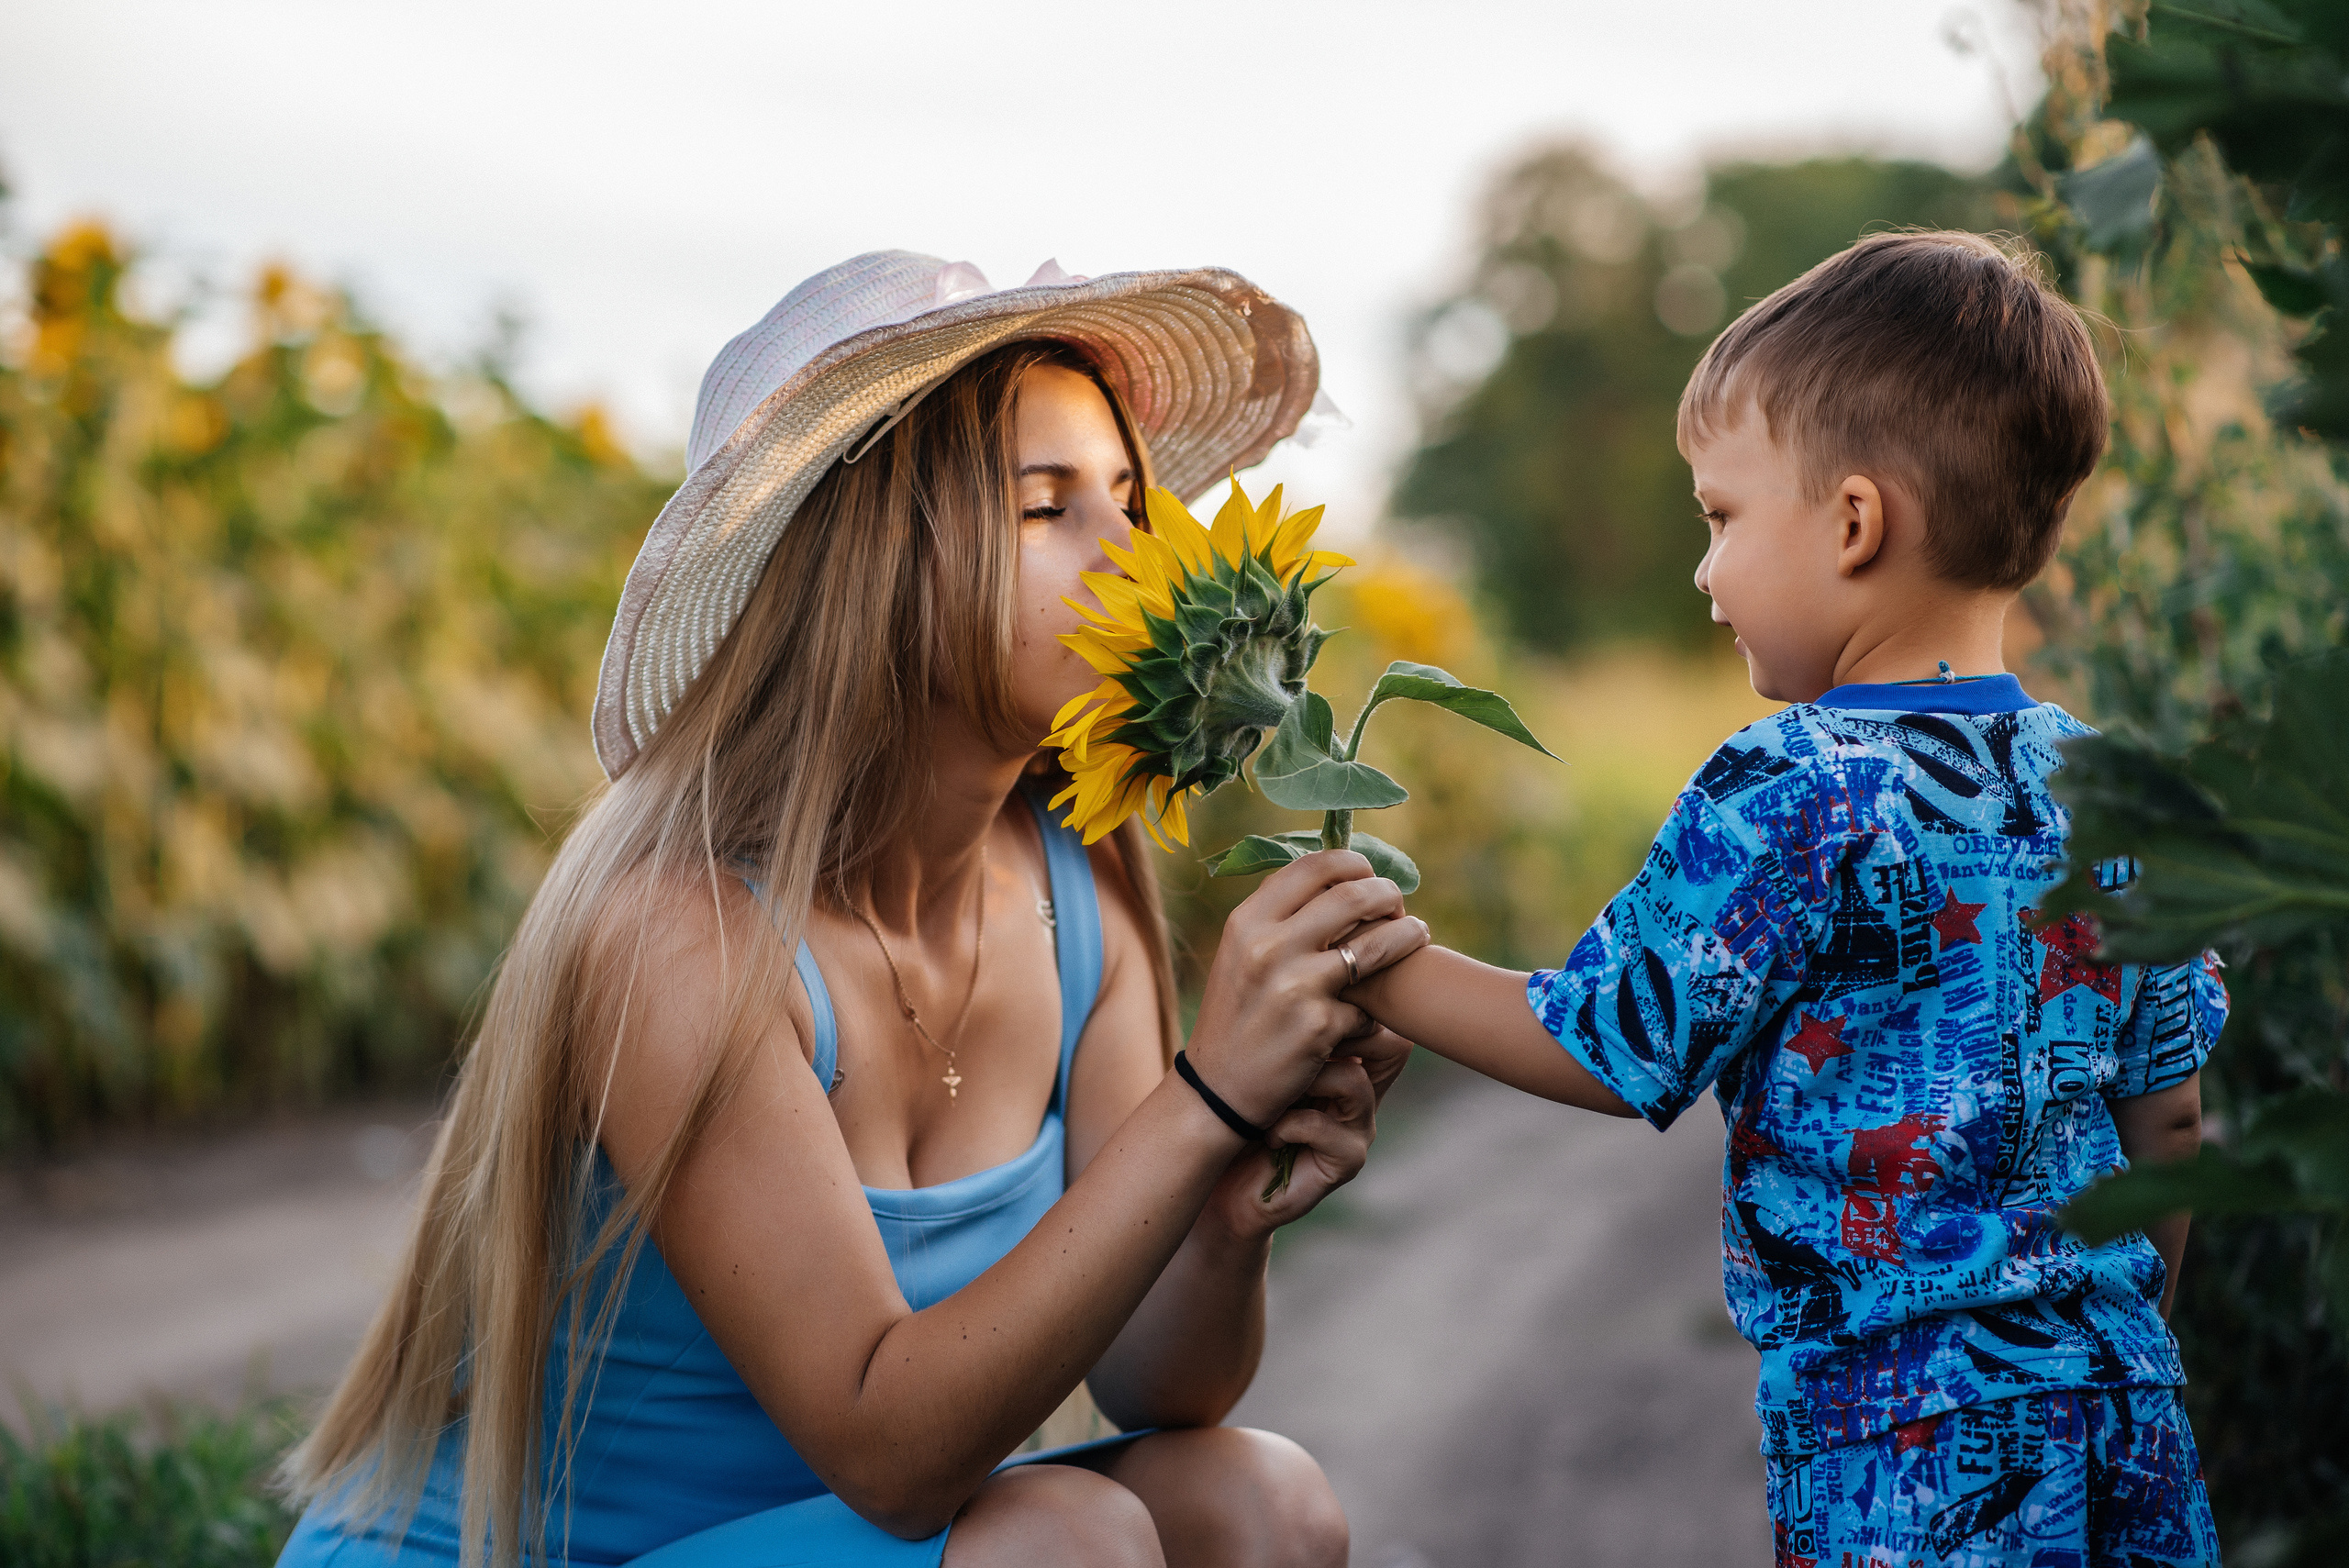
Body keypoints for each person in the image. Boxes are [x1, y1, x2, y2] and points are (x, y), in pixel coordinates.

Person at [274, 251, 1426, 1568]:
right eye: (1047, 508)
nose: (1138, 557)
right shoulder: (682, 933)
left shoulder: (1078, 870)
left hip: (827, 1544)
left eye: (1127, 497)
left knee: (1266, 1500)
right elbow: (893, 1455)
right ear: (871, 561)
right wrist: (1206, 1099)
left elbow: (1163, 1386)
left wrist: (1222, 1209)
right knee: (1066, 1539)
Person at [1348, 233, 2228, 1566]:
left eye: (1720, 516)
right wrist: (2108, 1339)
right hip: (2130, 1414)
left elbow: (1607, 1036)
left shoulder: (1794, 786)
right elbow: (2168, 1116)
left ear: (1855, 523)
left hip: (1902, 1445)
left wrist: (1372, 962)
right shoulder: (2127, 796)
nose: (1704, 572)